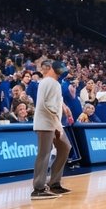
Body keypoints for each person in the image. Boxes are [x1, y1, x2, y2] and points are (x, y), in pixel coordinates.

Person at [31, 60, 73, 200]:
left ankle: (54, 183)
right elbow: (45, 104)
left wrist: (65, 108)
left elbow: (56, 100)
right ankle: (38, 188)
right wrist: (57, 123)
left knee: (65, 147)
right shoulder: (47, 82)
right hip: (46, 123)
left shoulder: (55, 83)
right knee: (44, 154)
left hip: (53, 123)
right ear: (52, 69)